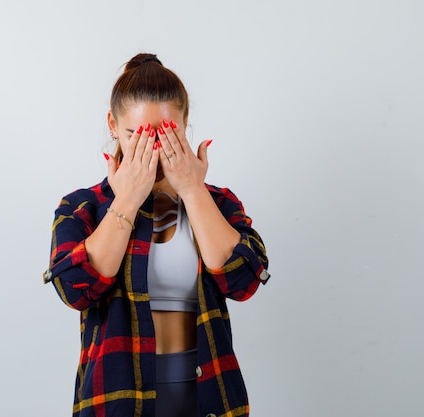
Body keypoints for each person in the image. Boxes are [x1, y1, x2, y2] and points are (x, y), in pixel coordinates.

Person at [43, 53, 270, 417]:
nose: (152, 149)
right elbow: (75, 290)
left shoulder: (219, 202)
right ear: (113, 125)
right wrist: (129, 198)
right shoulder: (82, 207)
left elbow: (243, 282)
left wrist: (193, 191)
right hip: (117, 403)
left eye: (165, 134)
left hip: (207, 399)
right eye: (137, 135)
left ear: (185, 126)